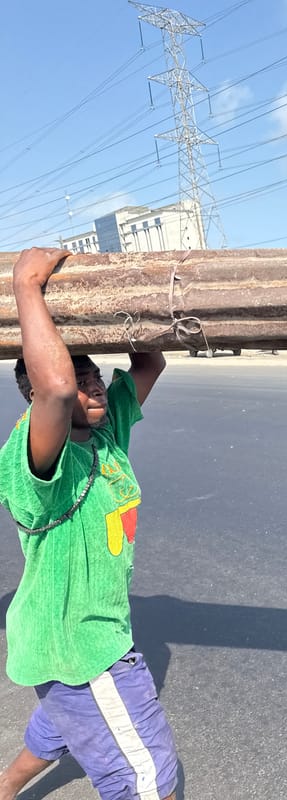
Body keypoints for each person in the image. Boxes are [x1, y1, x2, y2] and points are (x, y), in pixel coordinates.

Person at [0, 248, 178, 800]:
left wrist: (132, 292)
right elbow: (55, 389)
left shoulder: (105, 436)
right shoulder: (31, 465)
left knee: (59, 728)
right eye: (79, 380)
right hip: (80, 648)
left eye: (94, 375)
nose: (94, 387)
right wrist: (27, 286)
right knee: (148, 780)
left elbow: (150, 364)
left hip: (85, 638)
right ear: (32, 397)